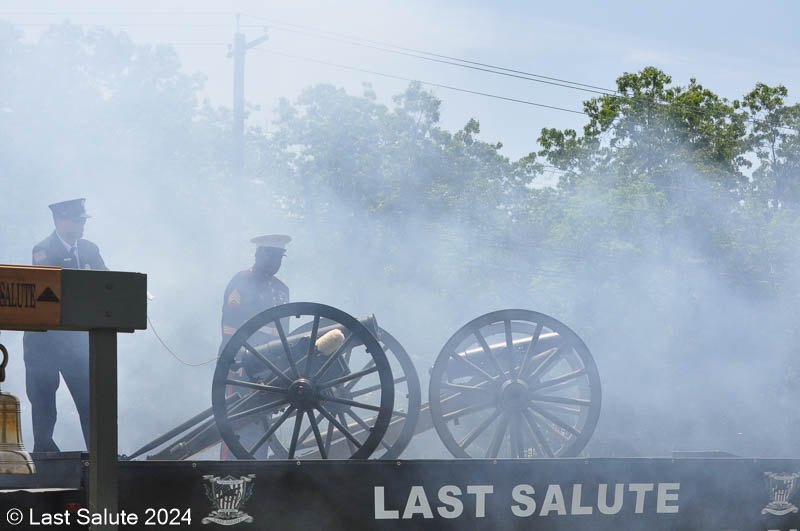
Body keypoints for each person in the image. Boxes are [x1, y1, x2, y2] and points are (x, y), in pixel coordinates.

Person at [23, 198, 108, 452]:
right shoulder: (43, 250)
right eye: (77, 220)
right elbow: (53, 290)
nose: (83, 224)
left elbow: (109, 283)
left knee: (90, 400)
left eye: (83, 220)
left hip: (76, 343)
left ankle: (100, 454)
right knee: (43, 402)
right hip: (44, 341)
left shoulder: (90, 249)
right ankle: (45, 454)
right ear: (60, 221)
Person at [219, 234, 291, 459]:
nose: (276, 262)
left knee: (262, 420)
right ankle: (232, 469)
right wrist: (236, 359)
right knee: (236, 418)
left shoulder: (282, 289)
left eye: (279, 257)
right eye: (271, 256)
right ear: (259, 255)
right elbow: (230, 326)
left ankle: (257, 466)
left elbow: (284, 333)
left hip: (269, 365)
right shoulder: (241, 281)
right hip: (241, 362)